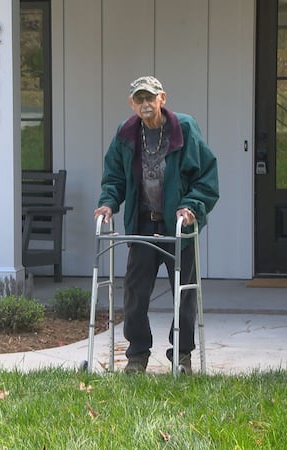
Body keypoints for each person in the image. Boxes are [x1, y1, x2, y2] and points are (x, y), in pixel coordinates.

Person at [93, 76, 219, 375]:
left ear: (162, 98)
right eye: (139, 99)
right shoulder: (126, 134)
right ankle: (137, 355)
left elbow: (205, 178)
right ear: (132, 104)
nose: (145, 104)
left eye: (150, 98)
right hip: (144, 226)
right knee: (135, 293)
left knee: (183, 294)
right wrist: (109, 203)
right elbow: (114, 177)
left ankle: (182, 356)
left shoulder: (184, 129)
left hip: (178, 226)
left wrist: (192, 207)